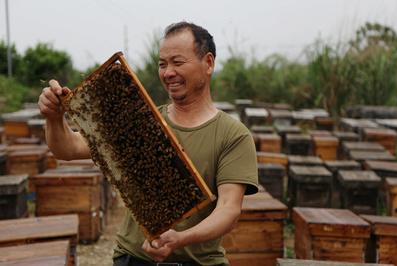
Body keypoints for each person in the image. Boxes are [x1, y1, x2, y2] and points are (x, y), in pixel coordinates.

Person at [38, 21, 258, 266]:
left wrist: (181, 238)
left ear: (208, 63)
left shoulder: (233, 135)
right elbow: (67, 149)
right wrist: (55, 118)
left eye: (177, 62)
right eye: (162, 64)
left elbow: (229, 210)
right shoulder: (141, 121)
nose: (168, 72)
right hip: (133, 259)